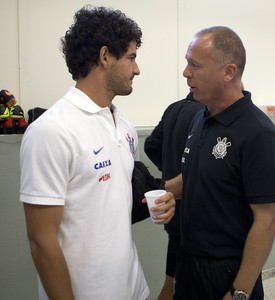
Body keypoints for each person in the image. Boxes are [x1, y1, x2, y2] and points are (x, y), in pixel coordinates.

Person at [19, 5, 175, 300]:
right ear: (105, 56)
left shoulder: (125, 128)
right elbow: (41, 241)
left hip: (132, 288)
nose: (137, 69)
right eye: (131, 58)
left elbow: (112, 204)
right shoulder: (52, 131)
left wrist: (160, 202)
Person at [170, 26, 275, 300]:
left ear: (228, 72)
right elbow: (202, 175)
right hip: (188, 263)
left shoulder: (259, 134)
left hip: (227, 273)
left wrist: (240, 291)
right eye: (187, 63)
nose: (186, 72)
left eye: (195, 65)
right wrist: (166, 193)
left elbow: (266, 221)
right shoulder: (202, 116)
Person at [144, 92, 204, 300]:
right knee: (183, 281)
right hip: (193, 209)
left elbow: (151, 145)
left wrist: (168, 171)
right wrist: (180, 177)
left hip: (174, 206)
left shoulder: (174, 108)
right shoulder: (203, 114)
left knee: (171, 276)